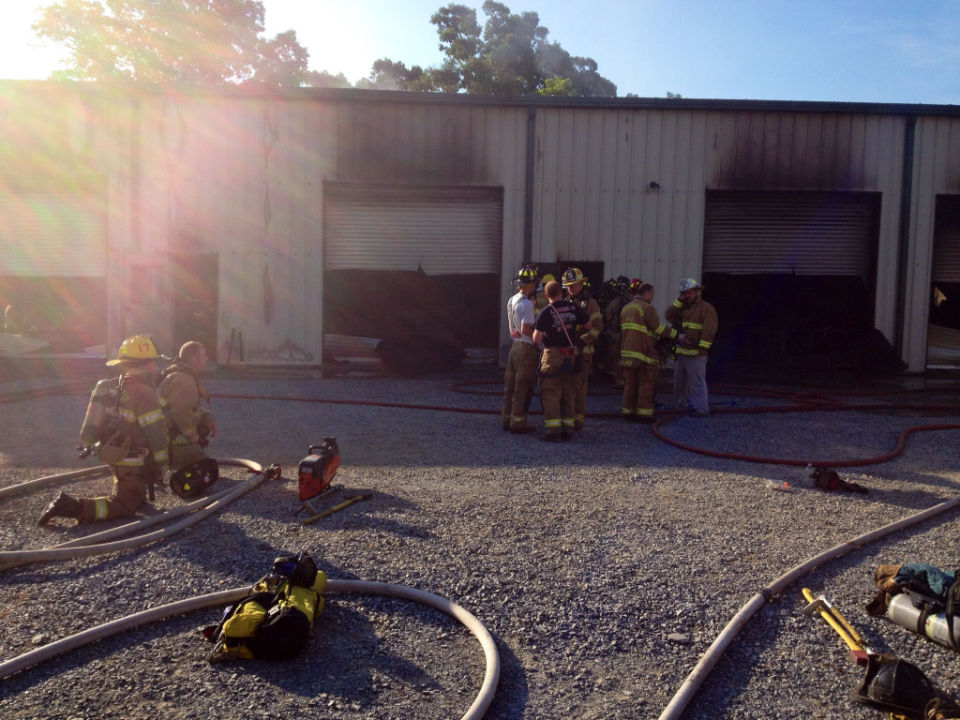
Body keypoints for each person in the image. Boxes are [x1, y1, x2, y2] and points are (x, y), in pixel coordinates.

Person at [38, 334, 171, 525]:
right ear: (146, 364)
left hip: (113, 450)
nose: (157, 367)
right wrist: (163, 465)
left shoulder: (116, 385)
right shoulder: (144, 392)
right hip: (130, 457)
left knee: (133, 491)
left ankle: (135, 495)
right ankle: (69, 506)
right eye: (155, 363)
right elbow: (156, 434)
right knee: (124, 505)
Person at [532, 280, 591, 441]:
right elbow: (589, 324)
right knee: (568, 392)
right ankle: (568, 430)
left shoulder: (545, 312)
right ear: (562, 292)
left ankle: (553, 431)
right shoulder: (574, 307)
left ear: (546, 295)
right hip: (571, 354)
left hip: (552, 355)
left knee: (550, 392)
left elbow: (536, 338)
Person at [619, 281, 676, 422]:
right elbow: (658, 329)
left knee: (630, 384)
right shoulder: (647, 308)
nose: (652, 297)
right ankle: (644, 414)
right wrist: (676, 334)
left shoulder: (626, 308)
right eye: (652, 294)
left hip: (627, 353)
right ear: (647, 293)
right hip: (644, 353)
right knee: (646, 384)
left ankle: (627, 412)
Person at [160, 340, 218, 469]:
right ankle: (177, 462)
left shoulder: (186, 376)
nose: (207, 359)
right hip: (173, 440)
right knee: (204, 473)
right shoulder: (183, 379)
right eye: (204, 356)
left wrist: (209, 419)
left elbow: (193, 408)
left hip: (173, 434)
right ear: (194, 359)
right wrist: (194, 437)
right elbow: (181, 412)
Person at [665, 278, 719, 417]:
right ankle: (679, 406)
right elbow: (668, 315)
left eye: (688, 293)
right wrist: (679, 302)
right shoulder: (681, 307)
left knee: (696, 382)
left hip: (696, 352)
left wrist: (703, 348)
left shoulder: (706, 308)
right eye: (684, 293)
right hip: (681, 351)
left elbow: (709, 330)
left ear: (696, 291)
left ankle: (700, 409)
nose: (686, 296)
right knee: (679, 382)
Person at [561, 267, 603, 431]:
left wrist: (583, 341)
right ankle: (567, 419)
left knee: (578, 387)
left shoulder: (590, 303)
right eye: (569, 286)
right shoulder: (565, 301)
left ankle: (577, 422)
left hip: (583, 352)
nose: (572, 289)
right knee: (566, 386)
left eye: (575, 285)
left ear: (581, 284)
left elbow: (598, 327)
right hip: (567, 351)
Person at [501, 264, 540, 434]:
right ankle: (518, 423)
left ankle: (507, 419)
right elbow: (526, 329)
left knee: (510, 386)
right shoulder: (527, 305)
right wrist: (540, 341)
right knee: (523, 387)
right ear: (530, 285)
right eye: (534, 285)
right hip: (526, 349)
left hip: (514, 347)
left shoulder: (512, 300)